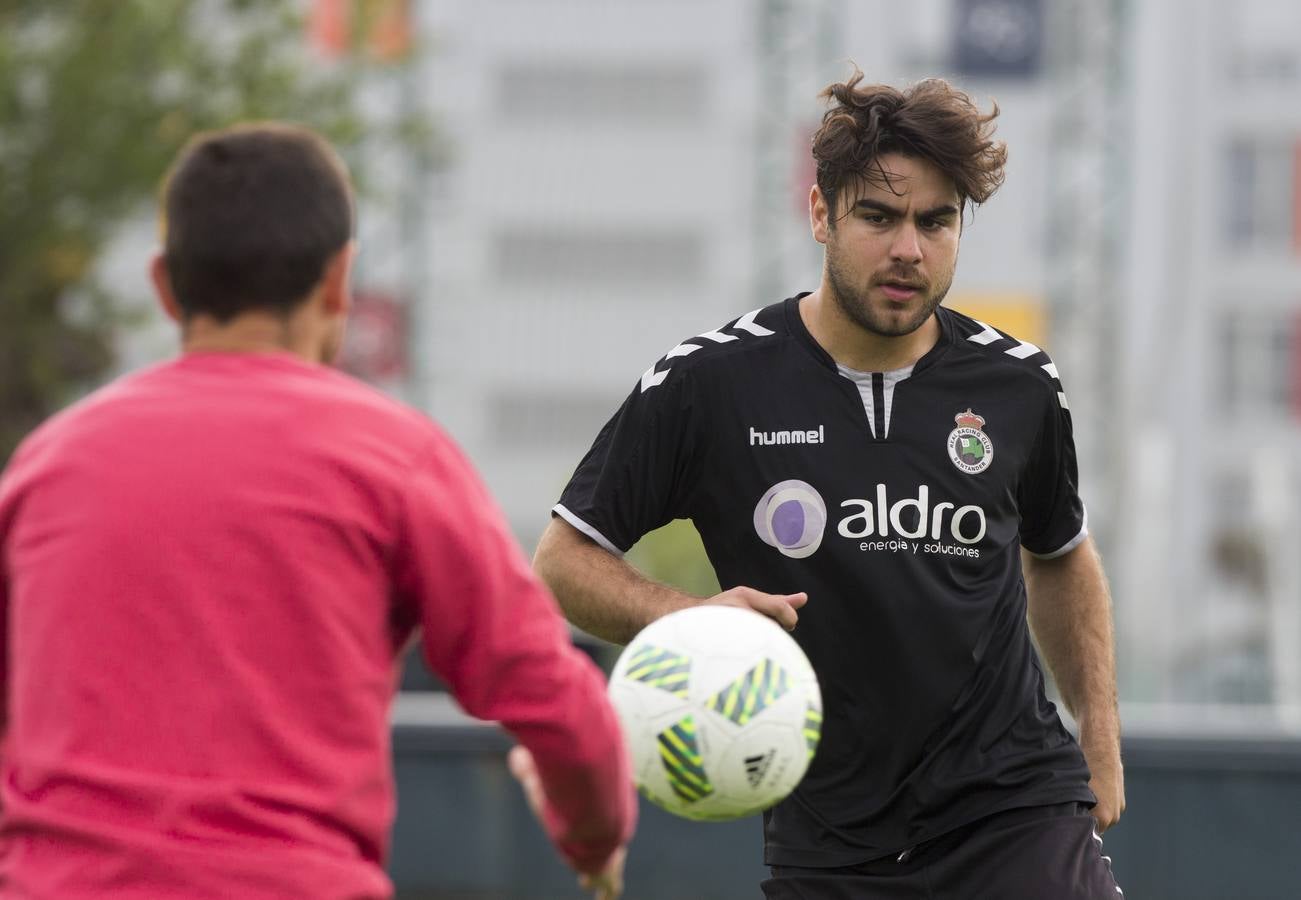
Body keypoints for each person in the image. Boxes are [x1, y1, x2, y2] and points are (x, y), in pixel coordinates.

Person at [0, 123, 634, 899]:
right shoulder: (394, 460)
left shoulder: (46, 466)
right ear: (339, 282)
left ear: (165, 286)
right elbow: (553, 698)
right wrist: (594, 838)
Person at [534, 70, 1124, 898]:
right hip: (829, 845)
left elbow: (1059, 553)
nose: (907, 250)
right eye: (878, 217)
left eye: (935, 221)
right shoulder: (711, 384)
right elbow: (563, 559)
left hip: (1015, 812)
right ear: (820, 213)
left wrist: (1098, 735)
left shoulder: (1018, 385)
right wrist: (687, 618)